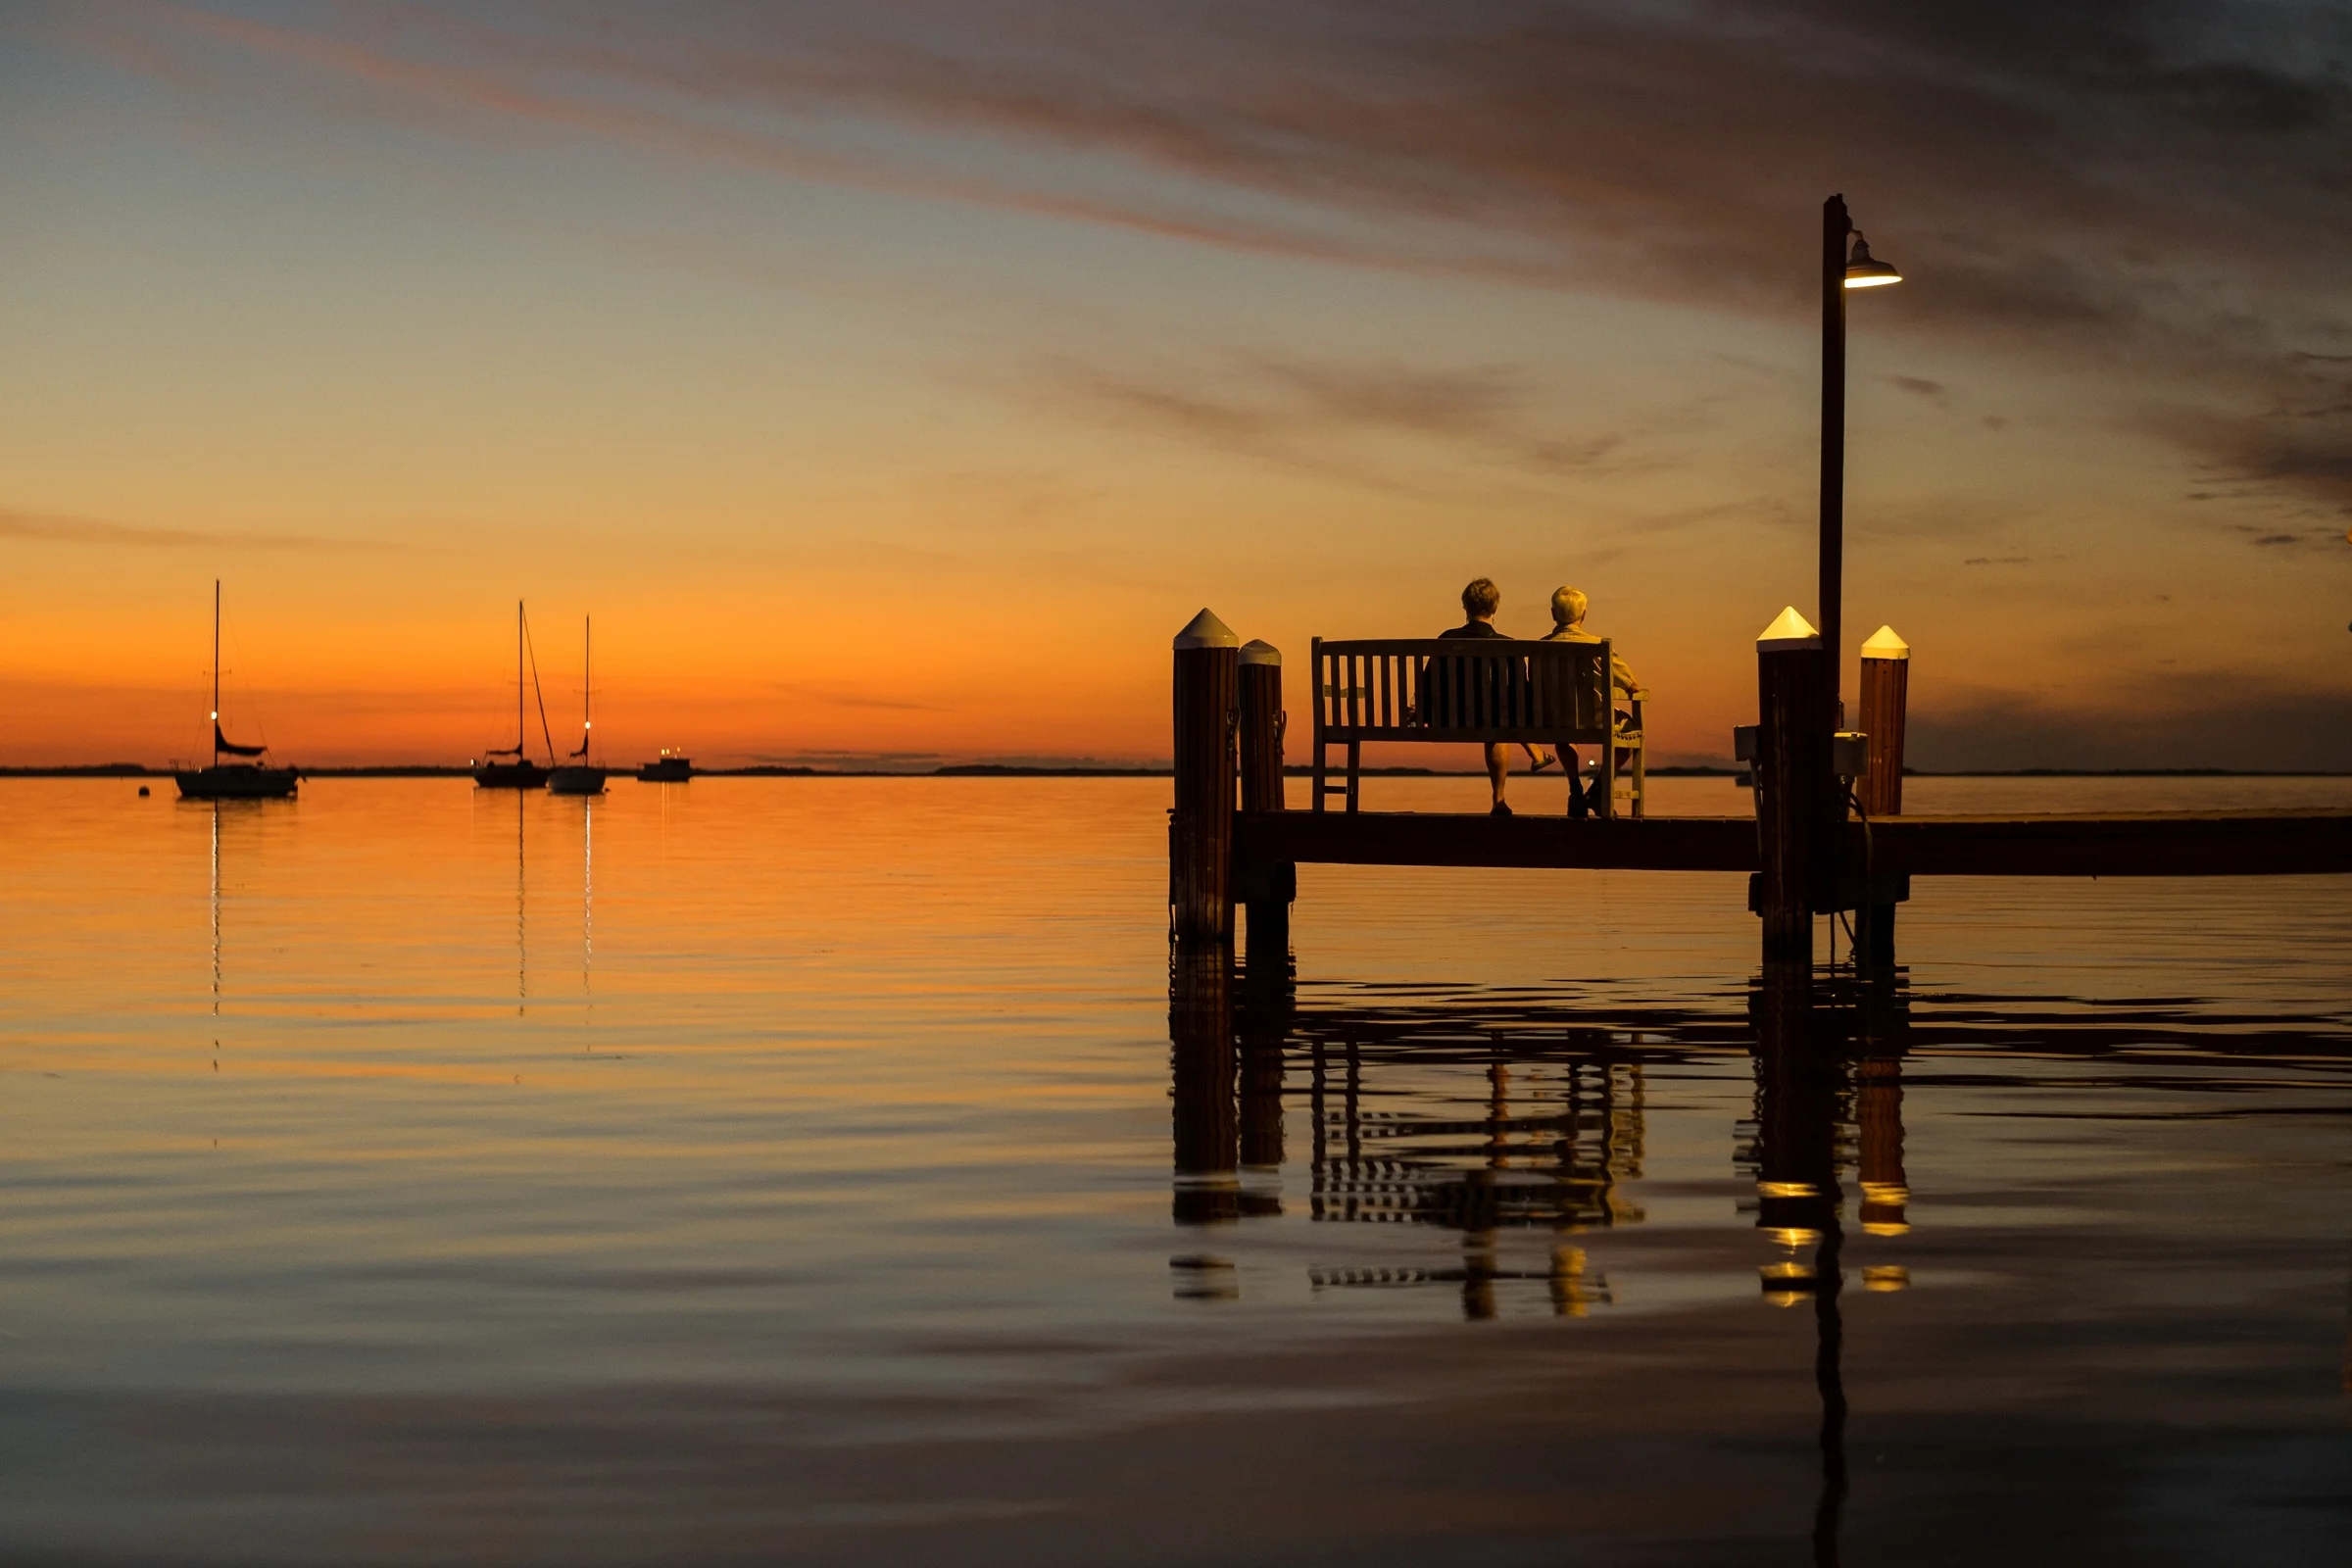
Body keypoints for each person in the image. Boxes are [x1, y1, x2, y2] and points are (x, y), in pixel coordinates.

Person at [1541, 585, 1640, 815]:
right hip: (1597, 720)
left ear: (1553, 614)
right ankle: (1598, 789)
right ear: (1583, 615)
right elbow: (1632, 685)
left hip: (1555, 720)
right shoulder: (1597, 647)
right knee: (1628, 729)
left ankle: (1576, 791)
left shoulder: (1541, 648)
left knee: (1564, 732)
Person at [1435, 577, 1523, 815]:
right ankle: (1499, 798)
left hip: (1447, 719)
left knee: (1496, 721)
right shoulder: (1508, 646)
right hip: (1493, 720)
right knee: (1498, 724)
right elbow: (1520, 692)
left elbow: (1429, 680)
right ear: (1495, 608)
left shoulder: (1447, 639)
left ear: (1465, 606)